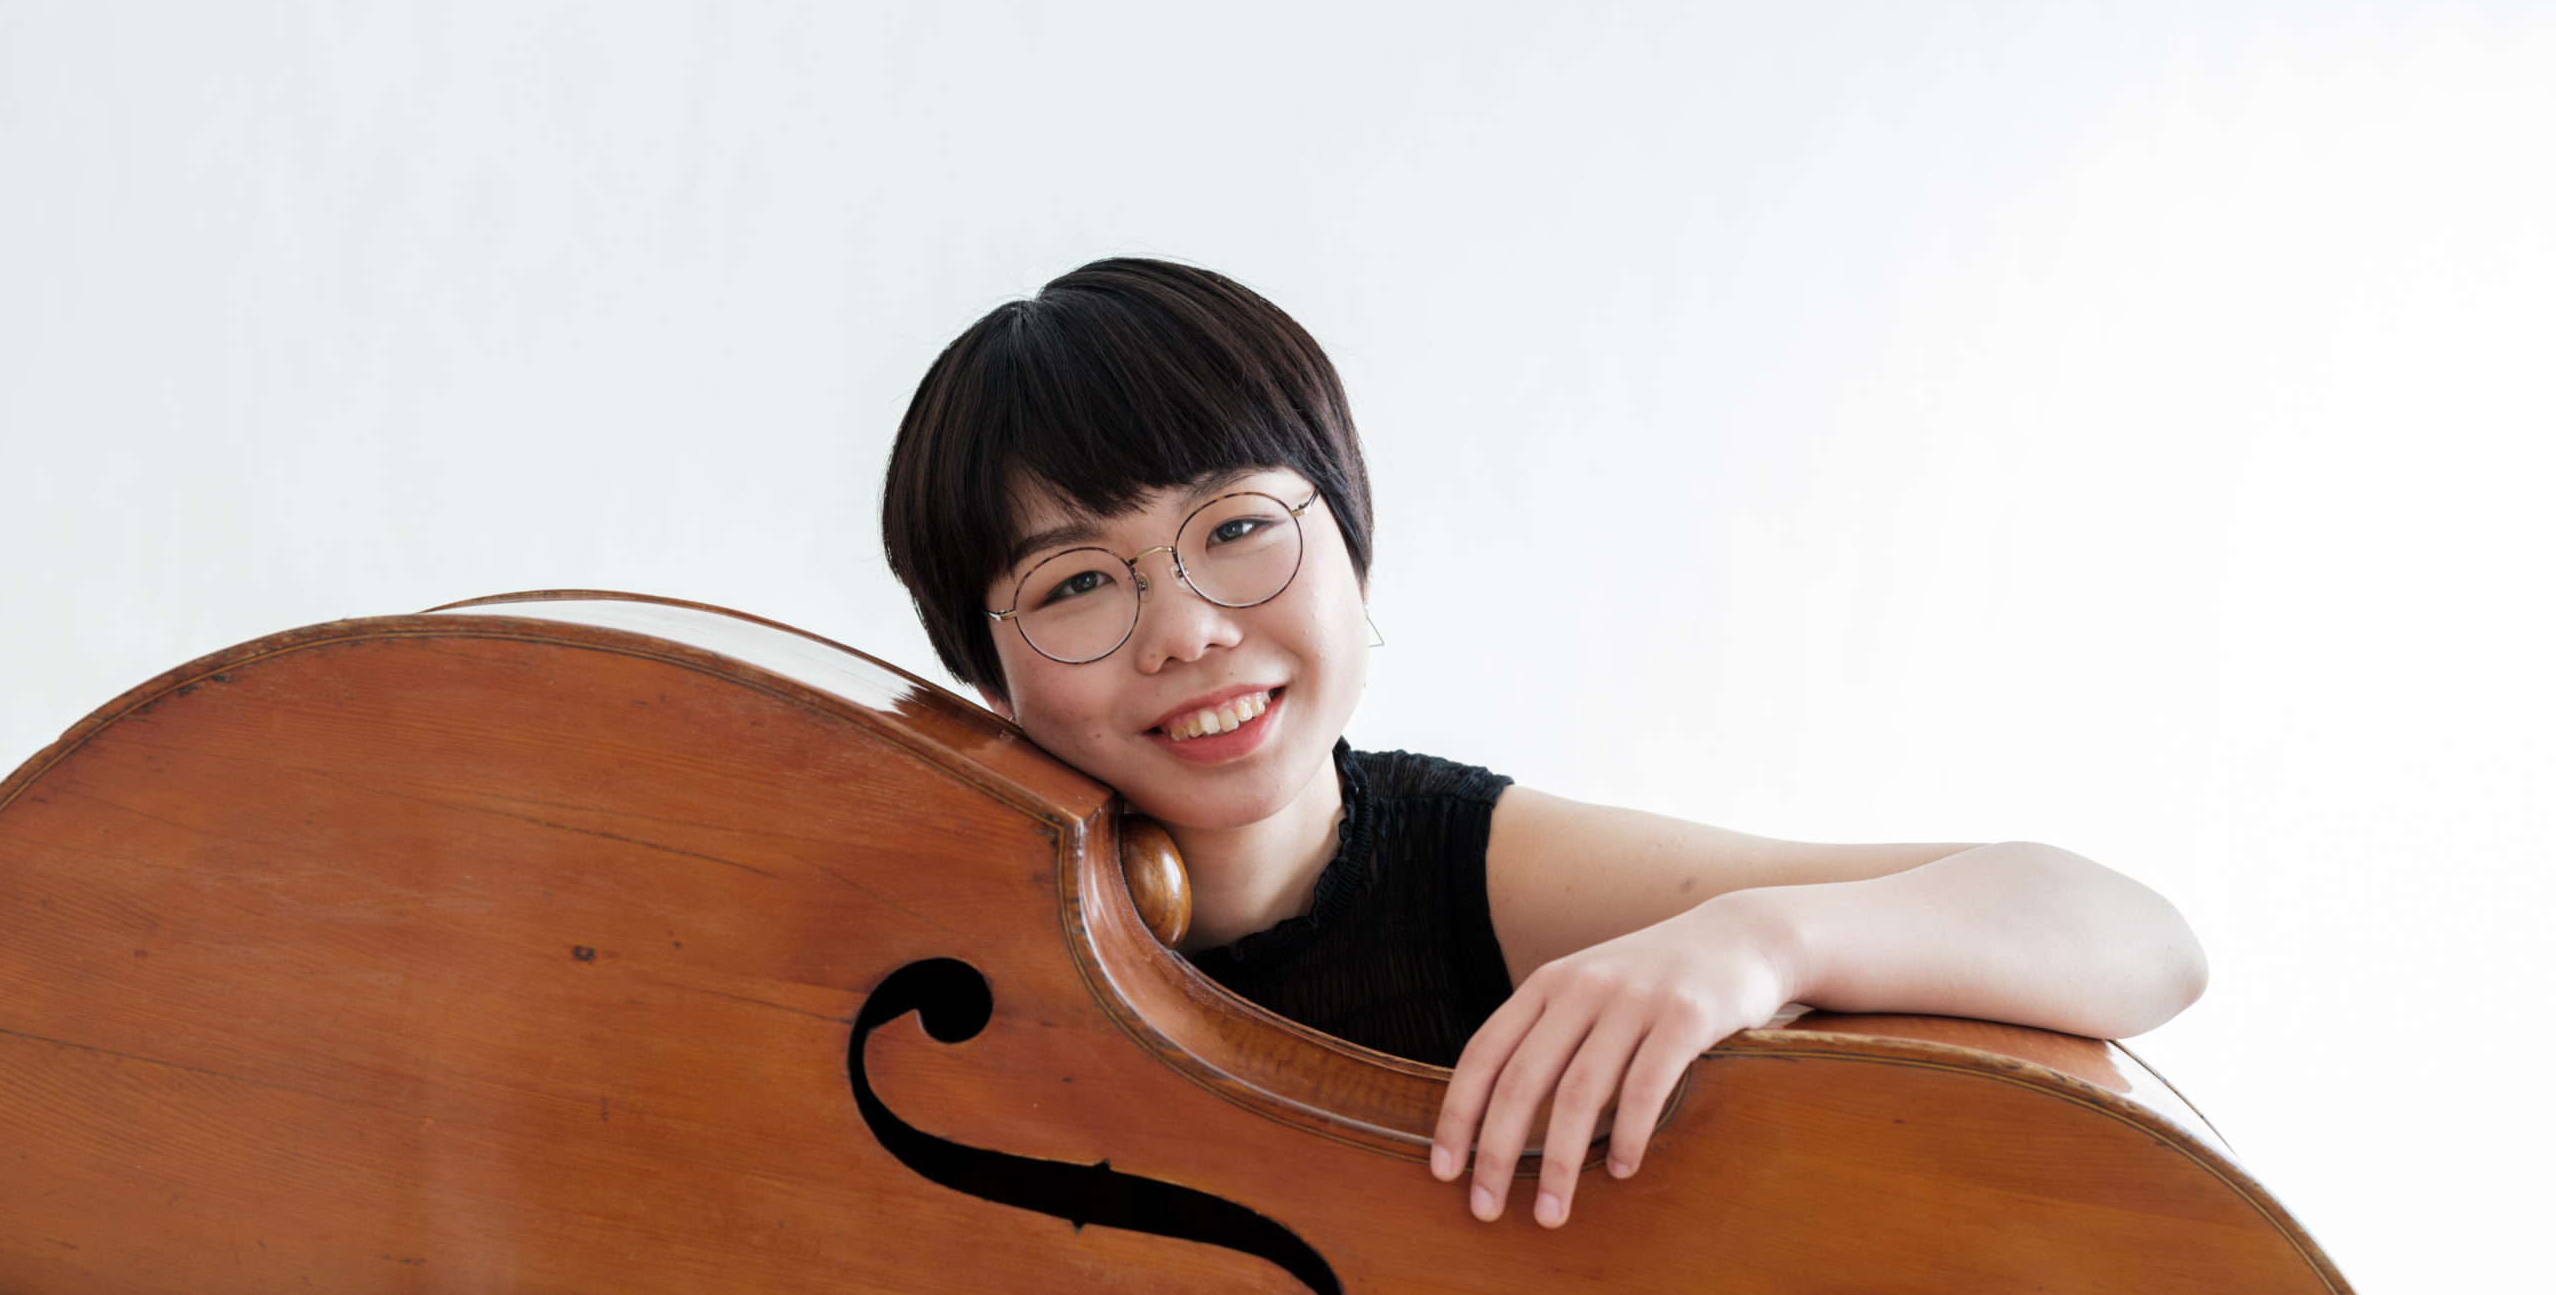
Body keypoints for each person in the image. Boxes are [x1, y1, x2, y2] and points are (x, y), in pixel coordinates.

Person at [881, 258, 2206, 1232]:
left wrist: (1762, 940)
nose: (1187, 631)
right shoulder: (916, 921)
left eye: (1235, 528)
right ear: (982, 670)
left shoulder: (1469, 870)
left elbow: (2137, 940)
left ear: (1348, 540)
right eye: (1076, 583)